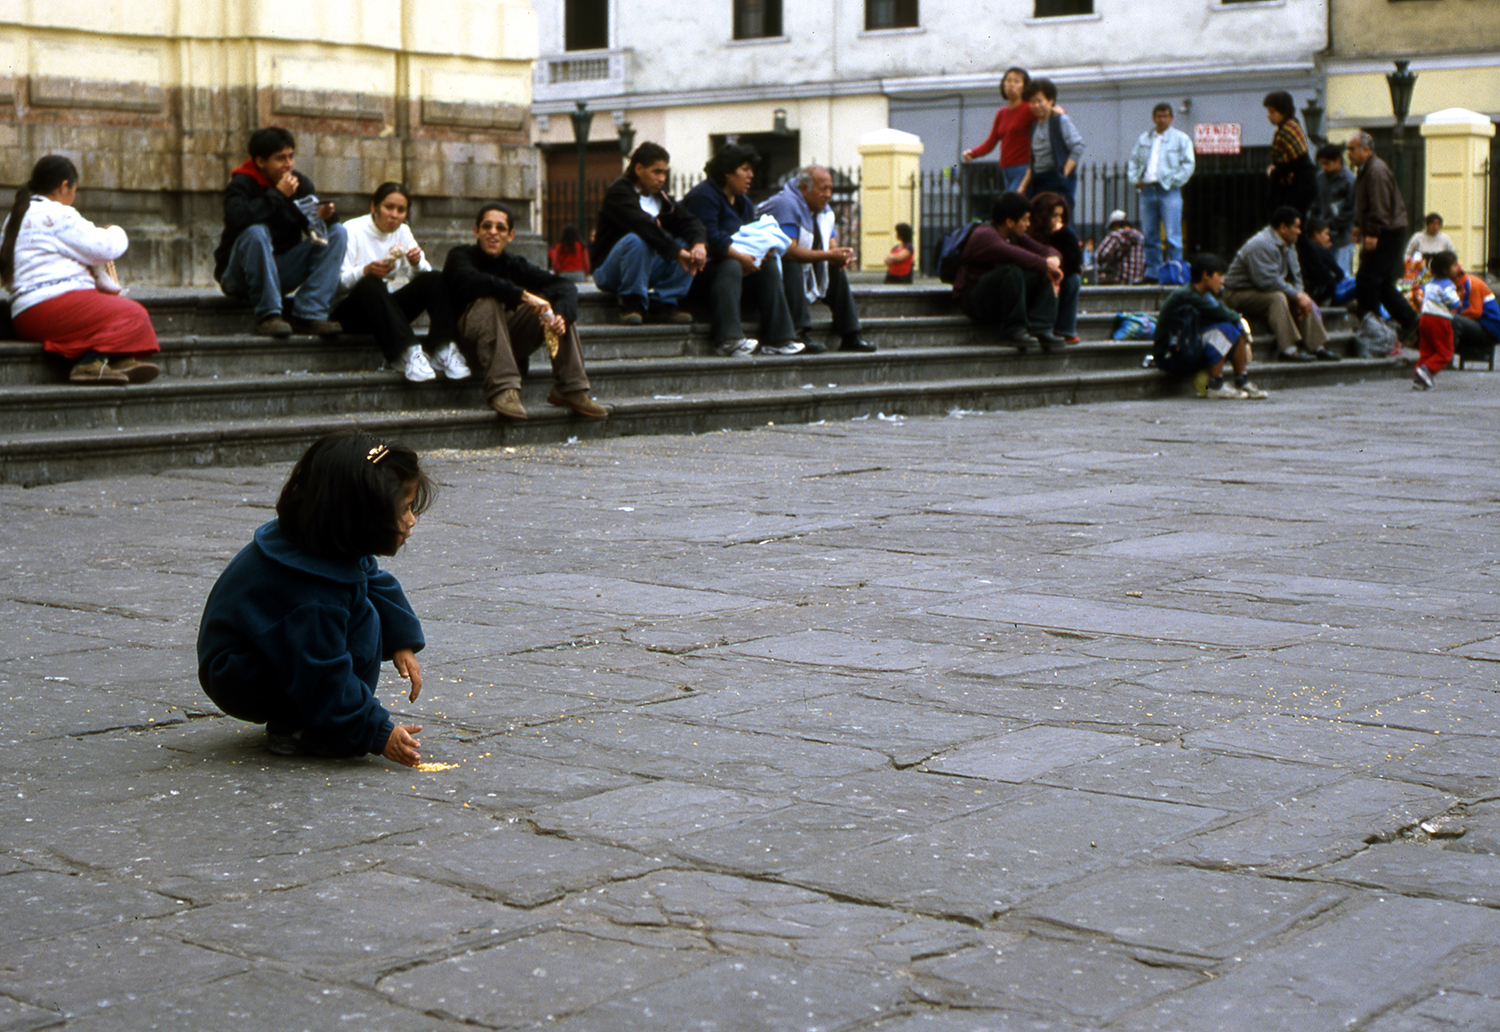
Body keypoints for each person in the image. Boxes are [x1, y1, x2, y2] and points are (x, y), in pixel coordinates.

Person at [197, 430, 432, 766]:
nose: (411, 520)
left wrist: (400, 641)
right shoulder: (312, 596)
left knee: (364, 609)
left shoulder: (326, 539)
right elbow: (323, 675)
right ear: (360, 517)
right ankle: (297, 727)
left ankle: (324, 717)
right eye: (405, 509)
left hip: (269, 652)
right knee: (361, 618)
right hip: (241, 674)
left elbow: (372, 576)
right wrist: (378, 733)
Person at [0, 155, 160, 385]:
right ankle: (90, 363)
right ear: (64, 186)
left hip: (25, 316)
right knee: (134, 315)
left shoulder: (13, 219)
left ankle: (117, 359)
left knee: (112, 312)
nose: (73, 198)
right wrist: (116, 230)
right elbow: (104, 247)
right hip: (51, 308)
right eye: (74, 190)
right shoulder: (57, 214)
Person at [444, 202, 606, 421]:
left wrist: (561, 316)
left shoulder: (514, 264)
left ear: (510, 235)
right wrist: (521, 294)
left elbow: (564, 286)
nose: (493, 232)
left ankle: (571, 387)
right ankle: (503, 389)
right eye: (487, 226)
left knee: (551, 302)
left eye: (500, 228)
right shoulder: (460, 256)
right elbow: (473, 280)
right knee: (489, 300)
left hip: (507, 343)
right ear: (476, 231)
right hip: (467, 344)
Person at [214, 126, 347, 338]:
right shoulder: (241, 183)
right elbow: (237, 220)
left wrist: (324, 216)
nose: (288, 165)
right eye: (280, 158)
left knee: (338, 232)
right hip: (239, 276)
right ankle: (268, 316)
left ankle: (309, 313)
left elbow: (315, 231)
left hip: (281, 271)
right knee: (256, 232)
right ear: (260, 162)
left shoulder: (299, 184)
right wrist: (277, 195)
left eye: (291, 157)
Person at [331, 182, 468, 384]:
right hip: (350, 312)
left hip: (384, 311)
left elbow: (426, 276)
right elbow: (336, 284)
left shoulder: (403, 232)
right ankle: (407, 353)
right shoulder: (351, 230)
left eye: (401, 210)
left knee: (435, 278)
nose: (394, 215)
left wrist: (416, 263)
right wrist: (365, 270)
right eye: (388, 207)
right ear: (373, 207)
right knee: (371, 283)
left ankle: (442, 348)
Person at [681, 143, 804, 358]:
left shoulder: (742, 202)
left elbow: (752, 233)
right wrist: (742, 258)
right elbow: (709, 238)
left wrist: (763, 250)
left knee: (770, 267)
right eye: (745, 169)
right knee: (730, 265)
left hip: (737, 269)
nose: (751, 175)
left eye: (751, 170)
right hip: (699, 272)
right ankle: (728, 339)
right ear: (728, 172)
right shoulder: (703, 196)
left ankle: (780, 338)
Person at [758, 165, 876, 353]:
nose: (828, 194)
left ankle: (850, 333)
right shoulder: (786, 204)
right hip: (765, 271)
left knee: (835, 269)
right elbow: (789, 251)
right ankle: (798, 331)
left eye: (830, 189)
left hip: (797, 265)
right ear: (804, 189)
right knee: (793, 263)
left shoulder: (823, 209)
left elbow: (831, 245)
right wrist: (829, 255)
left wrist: (840, 256)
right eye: (823, 189)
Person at [591, 142, 706, 325]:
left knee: (687, 243)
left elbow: (688, 221)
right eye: (656, 172)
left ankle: (664, 303)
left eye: (664, 173)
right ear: (638, 168)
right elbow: (642, 225)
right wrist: (676, 252)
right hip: (610, 271)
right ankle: (631, 302)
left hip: (645, 268)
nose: (661, 178)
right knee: (639, 239)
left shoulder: (660, 197)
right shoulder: (619, 192)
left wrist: (699, 245)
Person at [1222, 206, 1340, 363]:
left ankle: (1317, 346)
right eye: (1296, 227)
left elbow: (1296, 275)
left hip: (1264, 290)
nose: (1299, 232)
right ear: (1283, 228)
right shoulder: (1261, 244)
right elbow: (1266, 281)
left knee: (1301, 298)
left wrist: (1299, 295)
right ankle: (1288, 349)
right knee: (1277, 297)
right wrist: (1296, 295)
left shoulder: (1289, 243)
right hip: (1237, 293)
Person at [951, 191, 1064, 351]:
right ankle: (1013, 330)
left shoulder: (1015, 235)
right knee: (1011, 270)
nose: (1028, 224)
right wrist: (1046, 264)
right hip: (973, 300)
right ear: (1010, 222)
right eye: (1025, 219)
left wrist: (1054, 261)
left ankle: (1041, 328)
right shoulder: (985, 235)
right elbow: (1018, 256)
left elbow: (1046, 251)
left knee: (1040, 275)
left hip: (997, 297)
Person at [1153, 253, 1268, 400]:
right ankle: (1215, 385)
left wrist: (1241, 327)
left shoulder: (1204, 296)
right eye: (1219, 275)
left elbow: (1227, 316)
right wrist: (1242, 324)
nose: (1222, 281)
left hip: (1188, 347)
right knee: (1227, 329)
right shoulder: (1187, 295)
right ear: (1206, 275)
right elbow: (1226, 314)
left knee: (1234, 329)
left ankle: (1242, 380)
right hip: (1170, 357)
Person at [1346, 131, 1419, 344]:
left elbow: (1380, 205)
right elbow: (1366, 204)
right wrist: (1359, 226)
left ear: (1366, 150)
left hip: (1386, 231)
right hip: (1385, 229)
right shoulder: (1366, 170)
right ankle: (1409, 319)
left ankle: (1371, 324)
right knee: (1381, 281)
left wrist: (1373, 233)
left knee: (1367, 279)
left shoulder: (1375, 171)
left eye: (1352, 148)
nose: (1348, 153)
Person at [1126, 102, 1195, 283]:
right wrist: (1135, 179)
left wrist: (1173, 181)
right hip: (1148, 190)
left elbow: (1188, 164)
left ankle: (1174, 272)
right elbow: (1133, 161)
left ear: (1171, 118)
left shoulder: (1181, 139)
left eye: (1165, 116)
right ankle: (1152, 273)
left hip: (1169, 190)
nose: (1161, 119)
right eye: (1158, 116)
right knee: (1150, 234)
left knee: (1173, 234)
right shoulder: (1144, 139)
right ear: (1153, 118)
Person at [961, 67, 1037, 192]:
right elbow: (990, 142)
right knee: (1015, 208)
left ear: (1024, 87)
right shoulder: (1001, 113)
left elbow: (1045, 115)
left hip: (1023, 168)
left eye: (1017, 81)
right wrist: (973, 153)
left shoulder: (1028, 109)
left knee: (1011, 205)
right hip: (1005, 169)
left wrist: (1058, 112)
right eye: (1008, 80)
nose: (1011, 84)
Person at [1018, 78, 1084, 212]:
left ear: (1050, 100)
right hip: (1038, 181)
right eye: (1032, 101)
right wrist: (1022, 187)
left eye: (1039, 100)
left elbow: (1078, 146)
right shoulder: (1034, 127)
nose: (1036, 105)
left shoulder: (1060, 120)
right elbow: (1033, 161)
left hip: (1057, 181)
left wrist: (1063, 173)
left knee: (1059, 223)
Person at [1026, 192, 1082, 344]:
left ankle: (1064, 329)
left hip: (1055, 285)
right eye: (1054, 216)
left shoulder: (1061, 236)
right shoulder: (1029, 234)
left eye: (1061, 216)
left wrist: (1065, 234)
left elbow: (1075, 263)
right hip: (1034, 289)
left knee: (1074, 280)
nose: (1059, 220)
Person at [1412, 250, 1460, 390]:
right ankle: (1427, 370)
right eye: (1454, 265)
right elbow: (1454, 303)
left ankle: (1418, 377)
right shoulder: (1448, 285)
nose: (1457, 268)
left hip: (1425, 318)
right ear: (1445, 270)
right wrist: (1459, 301)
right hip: (1440, 319)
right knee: (1446, 352)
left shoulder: (1430, 283)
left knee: (1427, 350)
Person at [1263, 91, 1316, 216]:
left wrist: (1274, 172)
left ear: (1283, 111)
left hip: (1300, 184)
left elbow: (1293, 162)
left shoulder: (1287, 130)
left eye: (1272, 111)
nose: (1268, 116)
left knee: (1291, 222)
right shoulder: (1290, 126)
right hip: (1302, 182)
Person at [1312, 143, 1357, 276]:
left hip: (1342, 237)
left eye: (1327, 163)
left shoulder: (1350, 181)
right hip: (1322, 237)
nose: (1324, 167)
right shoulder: (1320, 178)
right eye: (1322, 164)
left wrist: (1329, 225)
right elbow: (1315, 205)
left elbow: (1351, 211)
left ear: (1337, 161)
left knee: (1341, 272)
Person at [1296, 217, 1348, 307]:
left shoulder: (1301, 250)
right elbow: (1339, 273)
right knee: (1360, 284)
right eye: (1326, 234)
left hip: (1313, 292)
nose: (1328, 238)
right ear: (1317, 235)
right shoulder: (1320, 250)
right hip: (1325, 294)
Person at [1452, 261, 1500, 358]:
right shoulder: (1460, 285)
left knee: (1452, 320)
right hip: (1481, 325)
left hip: (1489, 330)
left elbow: (1474, 312)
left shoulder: (1471, 284)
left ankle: (1445, 358)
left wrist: (1452, 313)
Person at [1095, 211, 1145, 286]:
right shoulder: (1141, 237)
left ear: (1116, 224)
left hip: (1120, 284)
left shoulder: (1116, 235)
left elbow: (1101, 254)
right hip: (1137, 285)